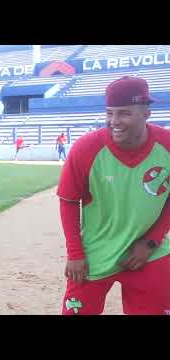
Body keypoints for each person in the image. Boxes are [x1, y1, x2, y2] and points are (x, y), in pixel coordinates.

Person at [58, 76, 170, 315]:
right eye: (110, 113)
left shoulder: (167, 146)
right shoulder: (85, 149)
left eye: (124, 113)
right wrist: (75, 253)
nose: (114, 121)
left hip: (149, 253)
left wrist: (151, 242)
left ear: (146, 113)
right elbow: (68, 201)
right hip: (94, 254)